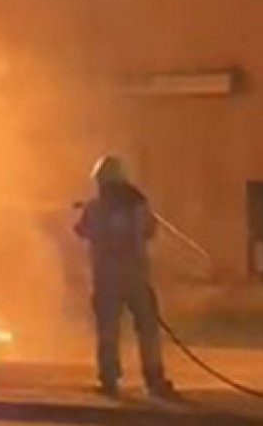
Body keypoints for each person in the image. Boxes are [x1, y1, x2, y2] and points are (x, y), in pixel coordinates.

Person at [75, 155, 174, 398]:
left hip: (107, 278)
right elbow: (150, 231)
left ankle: (110, 379)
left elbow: (82, 230)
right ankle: (153, 379)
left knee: (108, 330)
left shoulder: (96, 207)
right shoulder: (138, 204)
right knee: (147, 328)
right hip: (136, 277)